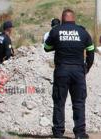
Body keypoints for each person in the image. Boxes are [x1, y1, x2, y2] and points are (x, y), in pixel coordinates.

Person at [44, 9, 94, 139]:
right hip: (78, 71)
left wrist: (58, 43)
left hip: (62, 70)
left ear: (62, 18)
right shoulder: (83, 32)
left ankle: (58, 133)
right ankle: (80, 133)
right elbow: (91, 50)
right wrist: (86, 67)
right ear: (74, 18)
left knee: (59, 102)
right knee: (79, 102)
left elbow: (47, 48)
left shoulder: (56, 31)